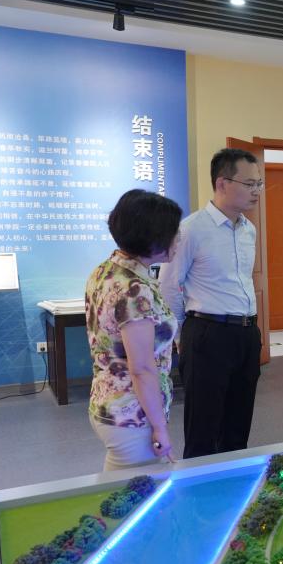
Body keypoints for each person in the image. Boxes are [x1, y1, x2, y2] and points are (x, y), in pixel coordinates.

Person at [159, 148, 262, 459]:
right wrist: (181, 336)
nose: (257, 191)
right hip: (207, 333)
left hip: (246, 333)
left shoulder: (249, 229)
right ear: (222, 183)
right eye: (249, 184)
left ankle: (234, 481)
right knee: (203, 428)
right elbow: (169, 286)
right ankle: (200, 486)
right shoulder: (191, 229)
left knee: (238, 424)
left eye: (259, 183)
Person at [85, 189, 182, 471]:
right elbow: (141, 368)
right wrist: (159, 427)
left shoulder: (105, 270)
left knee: (123, 484)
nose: (178, 238)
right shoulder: (134, 289)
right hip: (131, 413)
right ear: (152, 237)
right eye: (173, 232)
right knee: (135, 490)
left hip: (109, 402)